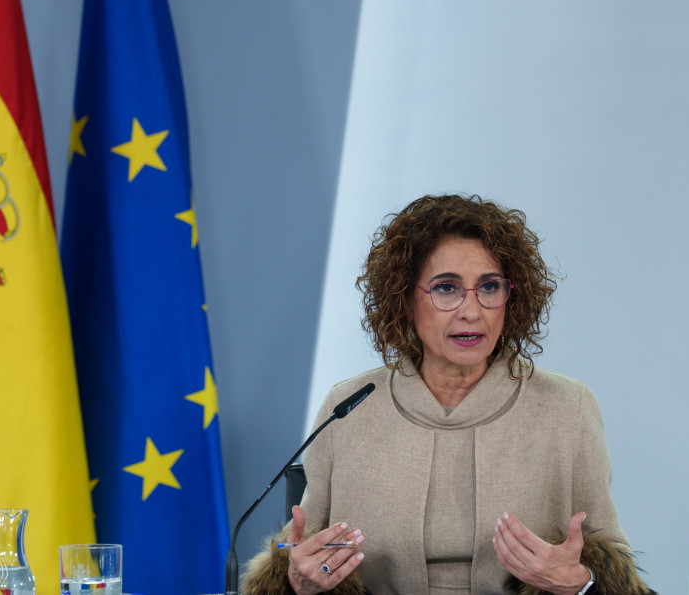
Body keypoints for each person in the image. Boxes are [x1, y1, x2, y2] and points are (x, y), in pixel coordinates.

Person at [242, 194, 652, 594]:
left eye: (489, 287)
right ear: (404, 299)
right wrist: (297, 583)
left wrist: (582, 585)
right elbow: (302, 558)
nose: (471, 311)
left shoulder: (567, 407)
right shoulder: (349, 408)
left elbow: (615, 576)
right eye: (446, 288)